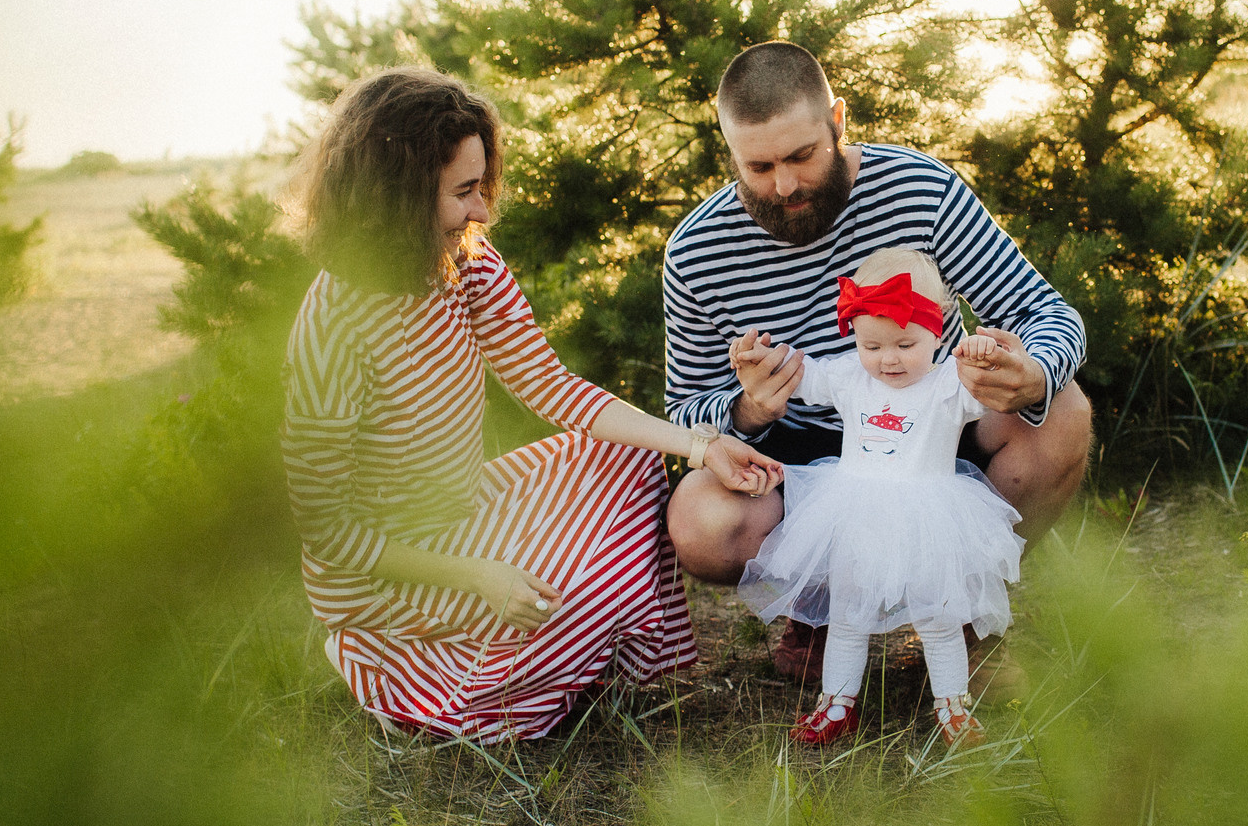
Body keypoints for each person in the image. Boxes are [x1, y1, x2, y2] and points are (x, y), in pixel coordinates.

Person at [280, 68, 786, 743]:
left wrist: (698, 445)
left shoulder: (465, 264)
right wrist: (480, 575)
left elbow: (551, 386)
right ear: (397, 197)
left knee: (629, 458)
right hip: (383, 564)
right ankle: (410, 671)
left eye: (481, 186)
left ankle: (562, 656)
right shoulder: (331, 327)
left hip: (464, 506)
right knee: (560, 596)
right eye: (464, 192)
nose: (483, 210)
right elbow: (331, 534)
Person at [663, 40, 1091, 681]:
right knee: (699, 516)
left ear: (837, 122)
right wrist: (747, 410)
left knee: (1063, 413)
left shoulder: (921, 189)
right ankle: (820, 612)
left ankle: (963, 610)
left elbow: (1046, 311)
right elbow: (684, 409)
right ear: (730, 151)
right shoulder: (696, 252)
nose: (784, 186)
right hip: (797, 473)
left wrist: (1034, 373)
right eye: (758, 167)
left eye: (802, 156)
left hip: (936, 447)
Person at [735, 249, 1024, 745]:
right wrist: (764, 360)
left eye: (905, 344)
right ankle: (837, 705)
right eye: (872, 345)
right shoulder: (851, 375)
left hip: (929, 517)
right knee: (848, 615)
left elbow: (1000, 392)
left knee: (940, 616)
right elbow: (805, 375)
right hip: (856, 516)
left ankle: (952, 706)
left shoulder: (950, 387)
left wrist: (992, 357)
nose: (888, 359)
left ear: (938, 332)